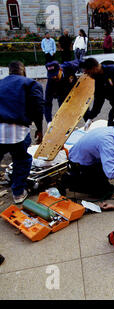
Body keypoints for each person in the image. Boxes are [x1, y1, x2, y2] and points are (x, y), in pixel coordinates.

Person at [62, 122, 114, 198]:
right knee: (104, 193)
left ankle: (95, 179)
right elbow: (111, 172)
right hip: (79, 163)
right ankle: (69, 180)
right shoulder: (108, 142)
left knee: (107, 186)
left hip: (88, 157)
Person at [0, 61, 45, 204]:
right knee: (22, 160)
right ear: (23, 70)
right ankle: (18, 193)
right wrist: (39, 129)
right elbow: (38, 107)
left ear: (9, 71)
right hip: (17, 130)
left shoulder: (1, 83)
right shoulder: (30, 84)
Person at [44, 60, 80, 125]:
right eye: (51, 75)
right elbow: (47, 102)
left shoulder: (69, 66)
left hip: (75, 90)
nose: (54, 77)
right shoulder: (51, 82)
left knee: (83, 109)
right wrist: (49, 121)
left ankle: (89, 124)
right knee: (64, 115)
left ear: (60, 69)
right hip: (62, 95)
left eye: (55, 74)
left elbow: (81, 62)